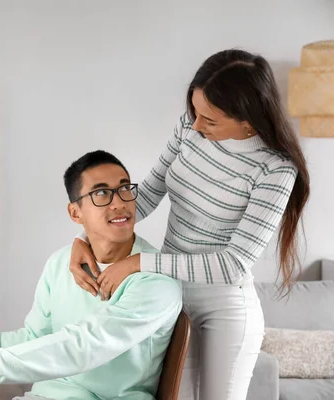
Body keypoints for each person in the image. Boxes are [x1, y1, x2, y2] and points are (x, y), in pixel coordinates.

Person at [69, 49, 310, 400]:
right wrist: (84, 239)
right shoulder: (189, 127)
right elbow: (148, 193)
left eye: (210, 120)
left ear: (249, 119)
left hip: (224, 307)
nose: (196, 125)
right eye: (195, 112)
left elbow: (233, 264)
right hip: (170, 292)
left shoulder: (274, 170)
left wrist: (137, 263)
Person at [0, 150, 182, 400]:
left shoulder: (155, 280)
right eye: (101, 193)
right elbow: (34, 338)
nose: (119, 202)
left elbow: (84, 346)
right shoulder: (61, 263)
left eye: (124, 188)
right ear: (75, 213)